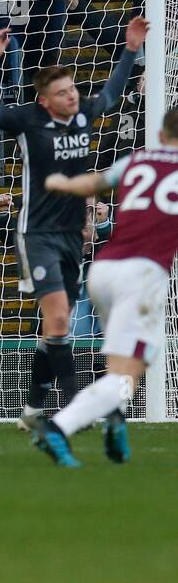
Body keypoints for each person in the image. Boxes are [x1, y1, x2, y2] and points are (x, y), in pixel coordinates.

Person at [0, 17, 146, 430]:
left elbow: (112, 94)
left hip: (71, 235)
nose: (72, 96)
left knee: (55, 330)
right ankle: (76, 408)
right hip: (37, 234)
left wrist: (131, 48)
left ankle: (31, 409)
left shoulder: (83, 112)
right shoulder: (26, 119)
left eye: (73, 89)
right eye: (62, 92)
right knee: (60, 319)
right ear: (44, 100)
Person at [31, 105, 178, 467]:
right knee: (128, 372)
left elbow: (93, 183)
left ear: (161, 134)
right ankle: (58, 427)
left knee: (124, 369)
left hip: (104, 270)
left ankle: (115, 418)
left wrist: (60, 183)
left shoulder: (138, 159)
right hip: (142, 277)